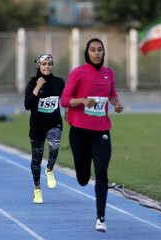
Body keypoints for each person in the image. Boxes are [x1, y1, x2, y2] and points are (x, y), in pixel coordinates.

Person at [61, 38, 123, 232]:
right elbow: (64, 100)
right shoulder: (78, 73)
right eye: (93, 50)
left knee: (102, 171)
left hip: (101, 130)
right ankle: (83, 172)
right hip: (79, 131)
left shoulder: (109, 73)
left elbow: (112, 94)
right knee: (82, 178)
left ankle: (100, 217)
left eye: (100, 50)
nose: (96, 53)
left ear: (104, 53)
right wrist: (81, 101)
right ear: (87, 53)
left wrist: (116, 104)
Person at [24, 54, 65, 204]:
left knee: (54, 146)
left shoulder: (59, 82)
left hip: (54, 123)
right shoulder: (32, 83)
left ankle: (49, 170)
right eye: (44, 64)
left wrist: (68, 111)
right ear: (39, 66)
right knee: (36, 159)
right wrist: (38, 87)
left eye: (49, 64)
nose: (47, 66)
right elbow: (27, 105)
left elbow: (65, 99)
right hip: (37, 127)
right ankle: (37, 189)